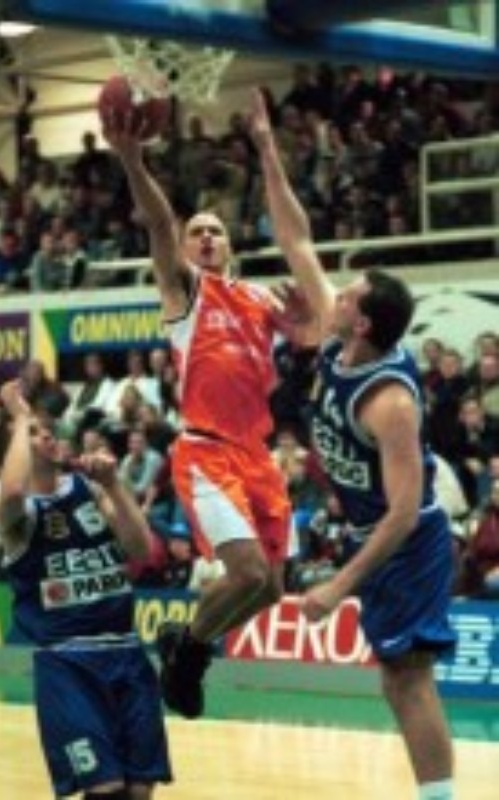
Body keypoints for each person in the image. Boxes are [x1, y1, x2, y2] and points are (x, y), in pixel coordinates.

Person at [250, 89, 456, 800]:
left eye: (347, 296)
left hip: (411, 544)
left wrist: (341, 585)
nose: (333, 295)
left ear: (363, 323)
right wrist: (268, 151)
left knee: (408, 677)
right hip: (377, 533)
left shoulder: (390, 403)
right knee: (398, 681)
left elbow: (402, 514)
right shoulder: (344, 339)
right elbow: (297, 241)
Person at [102, 101, 293, 719]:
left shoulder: (259, 299)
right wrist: (134, 162)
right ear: (186, 249)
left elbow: (313, 328)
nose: (207, 237)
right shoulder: (186, 291)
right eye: (197, 232)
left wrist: (308, 319)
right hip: (208, 448)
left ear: (232, 245)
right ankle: (190, 651)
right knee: (245, 572)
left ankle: (186, 641)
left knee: (271, 588)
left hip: (258, 453)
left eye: (217, 231)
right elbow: (159, 224)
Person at [0, 379, 172, 800]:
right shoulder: (11, 512)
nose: (47, 434)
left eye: (46, 428)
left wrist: (114, 484)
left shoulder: (89, 490)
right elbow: (12, 489)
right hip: (68, 663)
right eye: (33, 433)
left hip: (126, 651)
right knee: (105, 790)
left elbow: (142, 549)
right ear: (11, 453)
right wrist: (20, 416)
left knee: (138, 792)